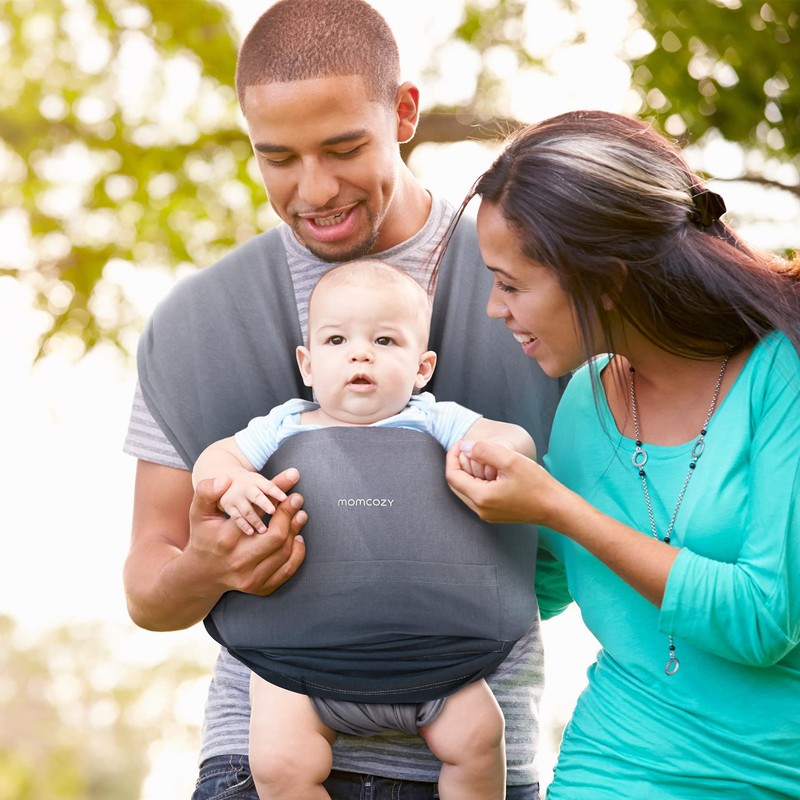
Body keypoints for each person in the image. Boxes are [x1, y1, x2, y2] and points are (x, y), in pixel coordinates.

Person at [122, 1, 569, 798]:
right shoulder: (199, 328)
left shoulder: (530, 285)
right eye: (277, 159)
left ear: (403, 114)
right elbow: (148, 592)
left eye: (343, 147)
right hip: (263, 752)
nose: (314, 189)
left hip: (471, 749)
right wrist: (207, 565)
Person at [444, 109, 800, 799]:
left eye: (512, 284)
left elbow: (765, 620)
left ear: (605, 279)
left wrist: (556, 506)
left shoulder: (780, 371)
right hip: (614, 764)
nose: (495, 308)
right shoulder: (582, 399)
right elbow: (542, 591)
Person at [193, 259, 539, 799]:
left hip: (438, 659)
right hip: (297, 662)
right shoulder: (284, 423)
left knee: (479, 737)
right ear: (307, 364)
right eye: (336, 340)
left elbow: (512, 438)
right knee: (279, 763)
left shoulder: (434, 418)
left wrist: (491, 454)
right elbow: (214, 459)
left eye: (384, 340)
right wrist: (231, 479)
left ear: (422, 368)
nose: (360, 353)